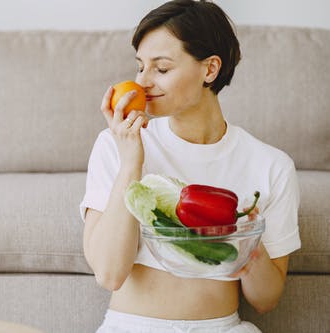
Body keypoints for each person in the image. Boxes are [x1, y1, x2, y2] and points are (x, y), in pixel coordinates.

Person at [79, 0, 301, 332]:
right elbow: (110, 273)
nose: (142, 82)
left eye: (162, 69)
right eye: (140, 66)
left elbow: (265, 300)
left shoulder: (271, 166)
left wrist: (247, 243)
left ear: (210, 69)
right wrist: (131, 162)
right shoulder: (116, 144)